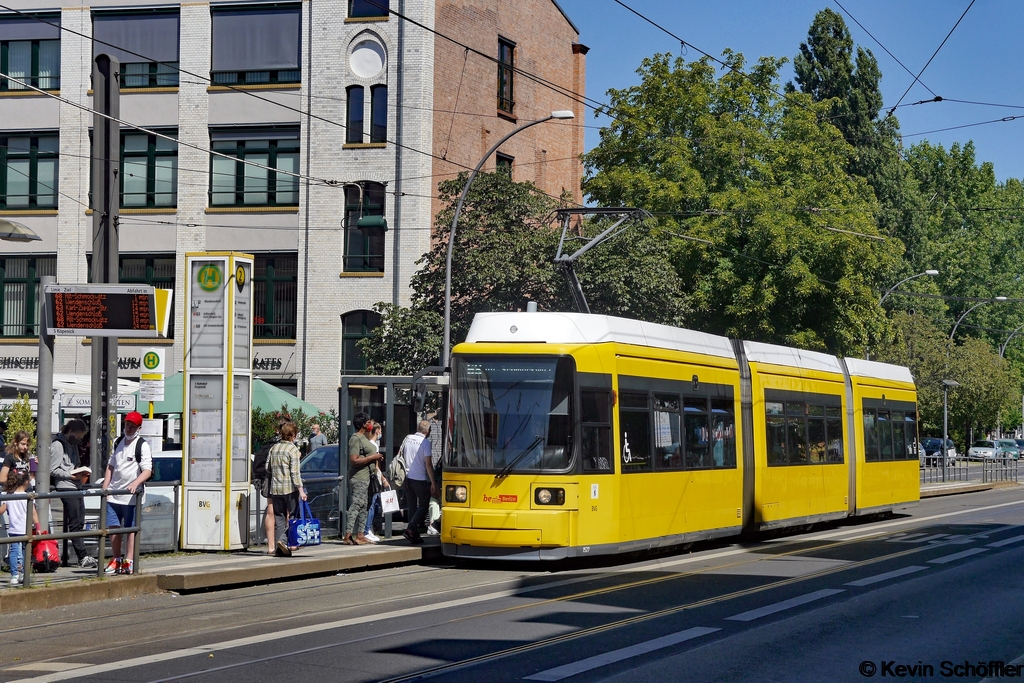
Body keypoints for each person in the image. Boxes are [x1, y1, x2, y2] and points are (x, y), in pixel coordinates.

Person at [101, 411, 152, 575]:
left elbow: (147, 470)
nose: (128, 428)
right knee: (114, 528)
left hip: (131, 496)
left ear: (139, 428)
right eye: (126, 424)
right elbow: (111, 466)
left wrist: (135, 483)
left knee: (130, 529)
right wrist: (105, 486)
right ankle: (116, 559)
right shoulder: (117, 442)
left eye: (132, 425)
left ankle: (128, 561)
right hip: (115, 493)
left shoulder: (142, 445)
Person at [50, 419, 96, 568]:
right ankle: (82, 556)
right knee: (74, 522)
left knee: (79, 520)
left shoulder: (72, 445)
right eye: (78, 437)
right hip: (66, 485)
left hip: (75, 485)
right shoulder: (58, 445)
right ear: (71, 432)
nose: (80, 440)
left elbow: (73, 463)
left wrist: (79, 471)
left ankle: (78, 554)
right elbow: (53, 469)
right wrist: (70, 475)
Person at [265, 422, 306, 556]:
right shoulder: (293, 450)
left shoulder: (274, 448)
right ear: (293, 435)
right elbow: (295, 472)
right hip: (290, 489)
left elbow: (267, 468)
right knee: (293, 516)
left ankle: (279, 549)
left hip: (275, 489)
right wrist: (301, 490)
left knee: (279, 518)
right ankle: (283, 540)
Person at [344, 413, 383, 545]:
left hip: (368, 477)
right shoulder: (355, 438)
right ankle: (348, 535)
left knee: (365, 507)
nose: (370, 424)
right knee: (356, 505)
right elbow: (354, 460)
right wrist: (373, 458)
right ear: (362, 424)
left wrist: (376, 457)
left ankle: (360, 535)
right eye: (367, 423)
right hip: (359, 477)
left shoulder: (364, 438)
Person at [403, 420, 436, 545]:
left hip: (407, 477)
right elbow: (428, 464)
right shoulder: (425, 443)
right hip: (420, 478)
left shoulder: (408, 438)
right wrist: (433, 482)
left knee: (412, 505)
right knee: (424, 504)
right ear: (427, 431)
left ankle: (413, 533)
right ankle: (411, 527)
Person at [4, 469, 39, 586]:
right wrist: (38, 526)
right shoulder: (28, 496)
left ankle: (14, 575)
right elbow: (33, 513)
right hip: (26, 529)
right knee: (26, 551)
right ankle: (24, 573)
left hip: (14, 529)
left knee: (13, 551)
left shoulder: (9, 496)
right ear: (26, 482)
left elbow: (2, 510)